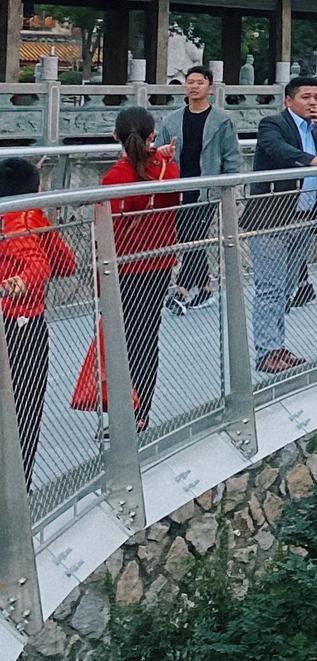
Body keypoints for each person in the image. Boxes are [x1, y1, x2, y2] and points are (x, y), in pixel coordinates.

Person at [250, 78, 317, 375]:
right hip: (271, 218)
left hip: (305, 219)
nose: (312, 102)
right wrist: (311, 160)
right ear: (288, 101)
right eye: (306, 96)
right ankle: (266, 350)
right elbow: (277, 150)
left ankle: (276, 346)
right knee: (270, 287)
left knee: (287, 287)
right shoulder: (273, 124)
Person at [98, 107, 179, 431]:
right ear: (152, 136)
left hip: (122, 264)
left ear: (115, 136)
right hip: (158, 261)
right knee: (146, 335)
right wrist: (160, 156)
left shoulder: (114, 179)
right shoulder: (168, 169)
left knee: (121, 337)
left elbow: (109, 230)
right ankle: (141, 409)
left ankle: (122, 407)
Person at [0, 157, 77, 489]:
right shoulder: (27, 218)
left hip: (13, 318)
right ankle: (20, 485)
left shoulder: (14, 219)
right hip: (23, 323)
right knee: (26, 407)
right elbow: (59, 265)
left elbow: (48, 266)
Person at [156, 65, 240, 312]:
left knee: (193, 236)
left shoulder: (222, 120)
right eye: (190, 82)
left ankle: (181, 289)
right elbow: (158, 150)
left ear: (210, 87)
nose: (194, 86)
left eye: (199, 82)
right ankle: (204, 287)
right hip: (178, 187)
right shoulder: (171, 120)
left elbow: (232, 156)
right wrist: (163, 153)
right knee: (189, 238)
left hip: (207, 188)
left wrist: (228, 184)